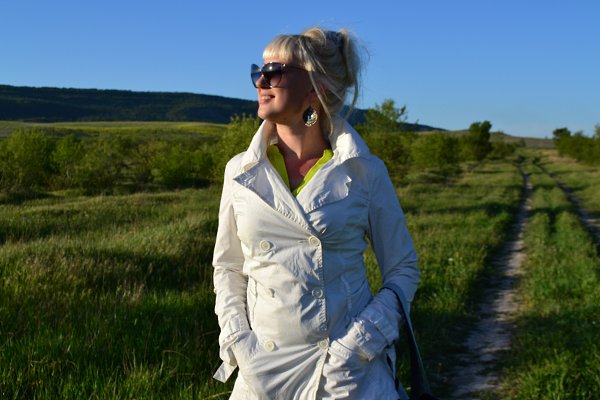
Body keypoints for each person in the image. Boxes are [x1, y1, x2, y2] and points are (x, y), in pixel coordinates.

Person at [212, 27, 420, 400]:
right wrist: (239, 342)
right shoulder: (240, 171)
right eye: (258, 71)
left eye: (274, 71)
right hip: (264, 373)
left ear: (315, 87)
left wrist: (359, 344)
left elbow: (403, 268)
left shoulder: (363, 171)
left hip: (346, 376)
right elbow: (228, 267)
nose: (261, 81)